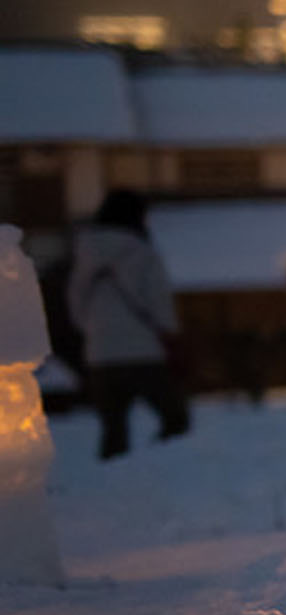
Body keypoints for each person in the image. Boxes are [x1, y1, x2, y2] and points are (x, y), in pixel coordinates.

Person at [66, 190, 190, 460]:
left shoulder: (85, 254)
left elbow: (76, 304)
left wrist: (93, 333)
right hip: (143, 352)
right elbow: (160, 302)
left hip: (100, 356)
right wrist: (171, 334)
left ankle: (114, 484)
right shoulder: (143, 253)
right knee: (176, 419)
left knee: (113, 430)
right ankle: (156, 466)